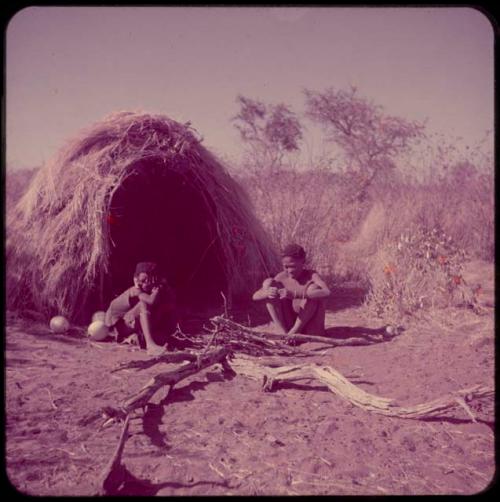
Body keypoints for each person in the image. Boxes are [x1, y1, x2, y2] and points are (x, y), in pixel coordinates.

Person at [252, 243, 330, 340]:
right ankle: (283, 334)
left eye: (293, 266)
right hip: (289, 325)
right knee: (269, 285)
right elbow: (255, 296)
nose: (289, 270)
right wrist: (267, 293)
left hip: (311, 330)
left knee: (313, 290)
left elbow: (326, 292)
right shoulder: (282, 277)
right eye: (286, 267)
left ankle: (294, 333)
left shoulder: (311, 275)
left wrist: (296, 294)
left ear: (303, 262)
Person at [104, 262, 176, 356]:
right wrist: (157, 290)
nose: (146, 283)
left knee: (163, 335)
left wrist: (164, 286)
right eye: (143, 280)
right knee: (143, 305)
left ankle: (139, 338)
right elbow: (151, 301)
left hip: (132, 324)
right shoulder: (135, 290)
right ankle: (150, 345)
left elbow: (171, 304)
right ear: (136, 279)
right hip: (121, 326)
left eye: (150, 280)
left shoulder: (151, 289)